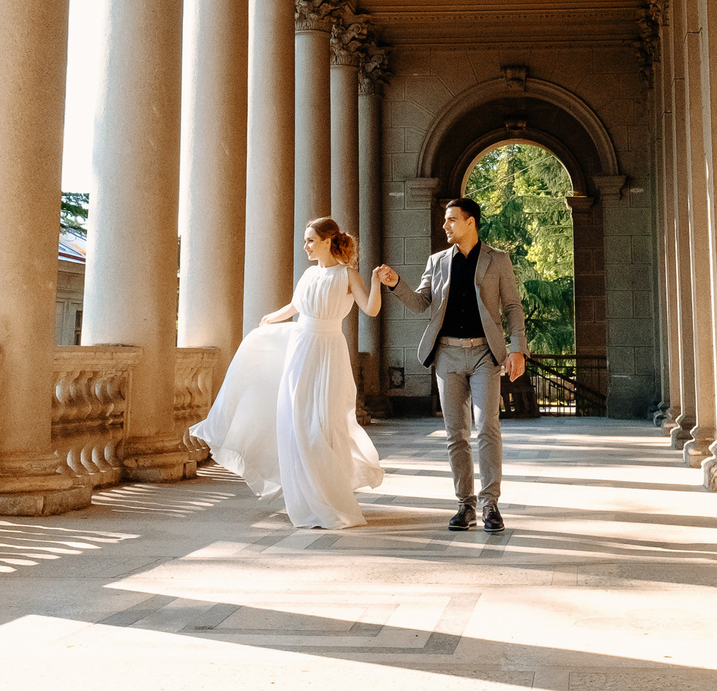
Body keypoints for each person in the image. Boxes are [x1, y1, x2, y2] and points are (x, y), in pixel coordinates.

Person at [190, 217, 384, 529]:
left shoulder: (348, 275)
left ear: (327, 241)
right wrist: (269, 320)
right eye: (306, 240)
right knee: (295, 420)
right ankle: (307, 498)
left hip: (328, 351)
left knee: (323, 423)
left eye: (310, 240)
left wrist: (375, 282)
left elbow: (371, 309)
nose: (305, 246)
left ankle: (331, 497)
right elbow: (295, 307)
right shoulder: (308, 274)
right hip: (301, 349)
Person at [377, 196, 526, 533]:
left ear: (470, 221)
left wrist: (518, 350)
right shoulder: (438, 261)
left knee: (487, 427)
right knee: (455, 434)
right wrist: (395, 284)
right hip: (447, 355)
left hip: (485, 355)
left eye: (451, 219)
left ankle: (491, 506)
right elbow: (420, 303)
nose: (445, 225)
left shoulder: (497, 260)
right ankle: (465, 505)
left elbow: (513, 308)